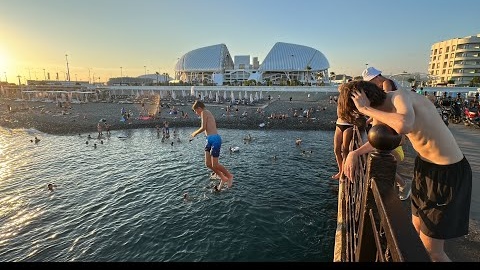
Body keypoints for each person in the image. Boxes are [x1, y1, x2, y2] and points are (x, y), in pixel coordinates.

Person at [338, 80, 472, 262]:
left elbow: (404, 125)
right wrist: (354, 153)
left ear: (365, 101)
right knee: (415, 231)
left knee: (433, 251)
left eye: (357, 111)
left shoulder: (399, 96)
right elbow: (384, 138)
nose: (362, 117)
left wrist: (366, 110)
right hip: (425, 168)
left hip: (447, 173)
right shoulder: (383, 109)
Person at [362, 66, 411, 200]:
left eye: (370, 82)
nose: (371, 85)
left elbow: (386, 101)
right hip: (394, 134)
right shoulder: (393, 83)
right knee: (378, 161)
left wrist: (370, 112)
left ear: (376, 77)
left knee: (378, 162)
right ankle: (398, 185)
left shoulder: (386, 83)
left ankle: (404, 184)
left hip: (393, 134)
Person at [190, 100, 233, 191]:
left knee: (215, 164)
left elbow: (203, 127)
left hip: (215, 139)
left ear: (199, 108)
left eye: (195, 111)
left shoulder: (204, 112)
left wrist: (194, 133)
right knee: (208, 164)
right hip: (209, 140)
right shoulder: (205, 113)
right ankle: (223, 177)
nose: (196, 113)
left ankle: (229, 176)